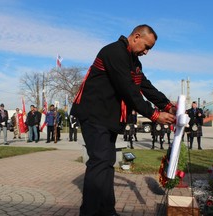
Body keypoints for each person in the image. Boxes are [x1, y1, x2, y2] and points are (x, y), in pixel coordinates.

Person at [70, 24, 176, 216]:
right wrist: (154, 115)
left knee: (107, 162)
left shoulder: (134, 61)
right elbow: (128, 90)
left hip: (108, 118)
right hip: (94, 114)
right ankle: (90, 212)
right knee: (99, 162)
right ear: (136, 37)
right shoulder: (114, 52)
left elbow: (145, 86)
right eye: (147, 46)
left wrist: (168, 106)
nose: (147, 52)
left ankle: (107, 210)